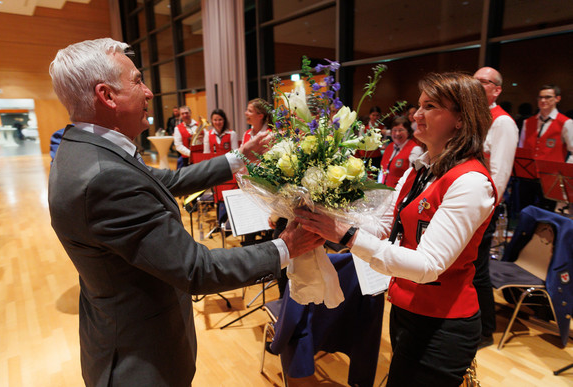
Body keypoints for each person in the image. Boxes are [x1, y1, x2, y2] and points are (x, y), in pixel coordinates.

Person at [47, 38, 323, 387]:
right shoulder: (104, 176)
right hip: (140, 359)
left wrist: (240, 157)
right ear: (107, 95)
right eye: (136, 80)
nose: (149, 92)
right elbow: (196, 268)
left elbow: (169, 180)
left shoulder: (88, 150)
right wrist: (285, 247)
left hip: (121, 333)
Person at [295, 72, 497, 386]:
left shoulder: (471, 182)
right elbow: (384, 226)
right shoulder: (424, 168)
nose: (417, 115)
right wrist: (322, 212)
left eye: (430, 106)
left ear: (461, 119)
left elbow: (429, 266)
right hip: (406, 308)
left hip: (444, 324)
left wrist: (346, 234)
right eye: (419, 105)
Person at [472, 66, 519, 348]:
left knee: (478, 270)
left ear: (497, 89)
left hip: (483, 207)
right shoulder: (478, 116)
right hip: (471, 204)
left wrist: (485, 210)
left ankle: (485, 331)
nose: (476, 85)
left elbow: (500, 173)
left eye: (483, 82)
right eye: (473, 80)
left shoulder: (502, 123)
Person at [518, 84, 573, 211]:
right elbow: (522, 148)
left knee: (546, 216)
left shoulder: (566, 123)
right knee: (525, 212)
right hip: (528, 177)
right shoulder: (528, 122)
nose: (543, 101)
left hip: (551, 179)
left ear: (557, 99)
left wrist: (564, 175)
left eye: (548, 97)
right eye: (540, 97)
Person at [379, 116, 422, 187]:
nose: (397, 133)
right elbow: (382, 171)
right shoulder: (389, 147)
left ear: (408, 132)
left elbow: (413, 178)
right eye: (394, 130)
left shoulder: (416, 150)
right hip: (384, 191)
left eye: (401, 130)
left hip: (400, 194)